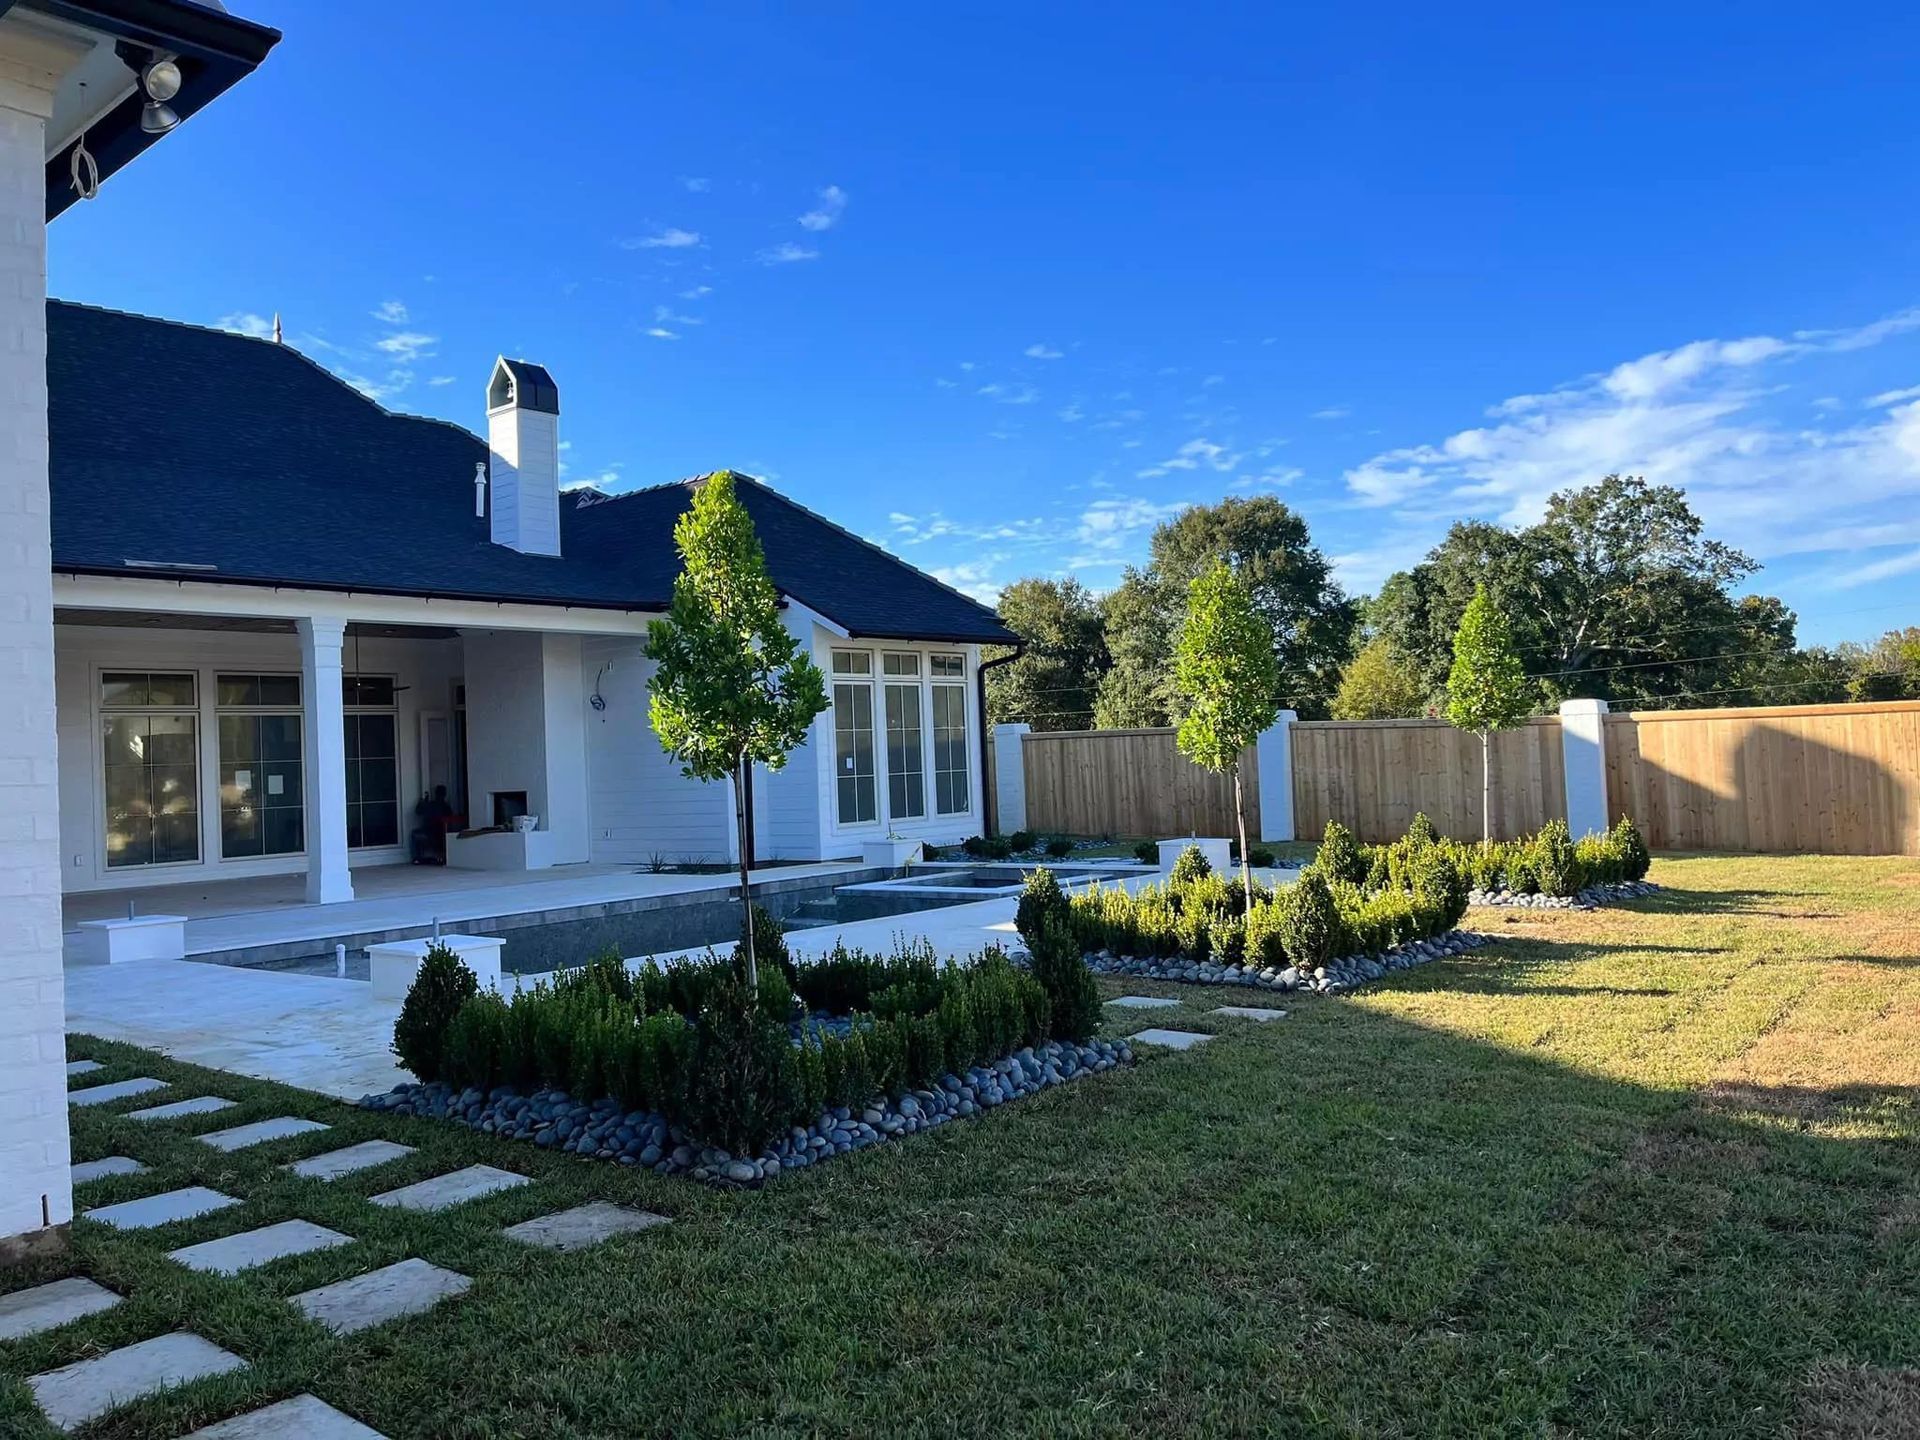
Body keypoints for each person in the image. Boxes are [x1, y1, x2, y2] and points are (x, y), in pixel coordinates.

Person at [411, 784, 455, 864]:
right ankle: (420, 858)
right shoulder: (445, 807)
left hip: (434, 834)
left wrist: (422, 802)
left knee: (415, 834)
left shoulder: (435, 805)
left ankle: (417, 858)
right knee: (416, 834)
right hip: (436, 833)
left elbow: (418, 811)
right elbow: (418, 811)